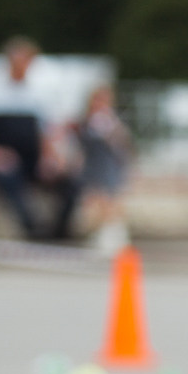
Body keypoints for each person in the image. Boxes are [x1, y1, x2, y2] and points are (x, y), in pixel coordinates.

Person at [0, 37, 81, 242]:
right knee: (10, 179)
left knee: (72, 183)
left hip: (31, 157)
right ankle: (32, 229)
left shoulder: (39, 88)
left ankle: (61, 232)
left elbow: (47, 130)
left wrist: (50, 158)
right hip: (2, 157)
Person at [75, 85, 133, 253]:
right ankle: (102, 235)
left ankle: (114, 238)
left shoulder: (113, 121)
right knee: (94, 203)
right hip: (93, 165)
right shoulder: (86, 121)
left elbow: (123, 145)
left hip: (108, 165)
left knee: (110, 201)